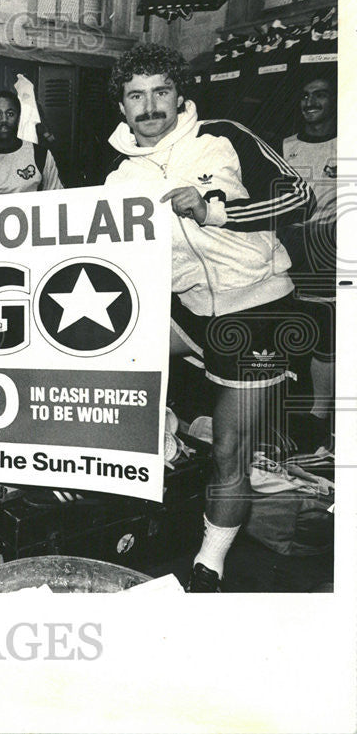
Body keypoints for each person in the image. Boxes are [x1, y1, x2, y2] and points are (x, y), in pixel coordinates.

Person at [103, 43, 315, 592]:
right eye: (135, 95)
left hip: (258, 307)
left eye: (160, 92)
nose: (149, 106)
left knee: (229, 450)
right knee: (105, 373)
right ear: (122, 107)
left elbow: (300, 196)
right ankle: (169, 436)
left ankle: (209, 565)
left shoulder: (222, 137)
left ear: (179, 95)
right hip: (189, 311)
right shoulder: (119, 180)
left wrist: (214, 209)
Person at [280, 73, 337, 452]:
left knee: (326, 330)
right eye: (304, 96)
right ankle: (285, 407)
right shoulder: (286, 147)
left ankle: (320, 415)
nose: (310, 103)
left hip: (328, 249)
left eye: (319, 95)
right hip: (289, 246)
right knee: (289, 326)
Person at [0, 90, 64, 195]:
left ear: (18, 119)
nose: (4, 119)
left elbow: (57, 198)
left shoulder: (41, 155)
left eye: (10, 113)